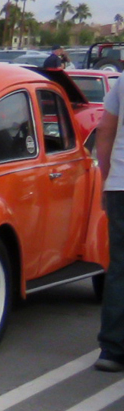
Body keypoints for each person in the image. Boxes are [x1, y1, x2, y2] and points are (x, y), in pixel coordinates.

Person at [90, 77, 124, 372]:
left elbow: (105, 131)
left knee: (120, 268)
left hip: (121, 186)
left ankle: (112, 348)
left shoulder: (123, 82)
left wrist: (106, 179)